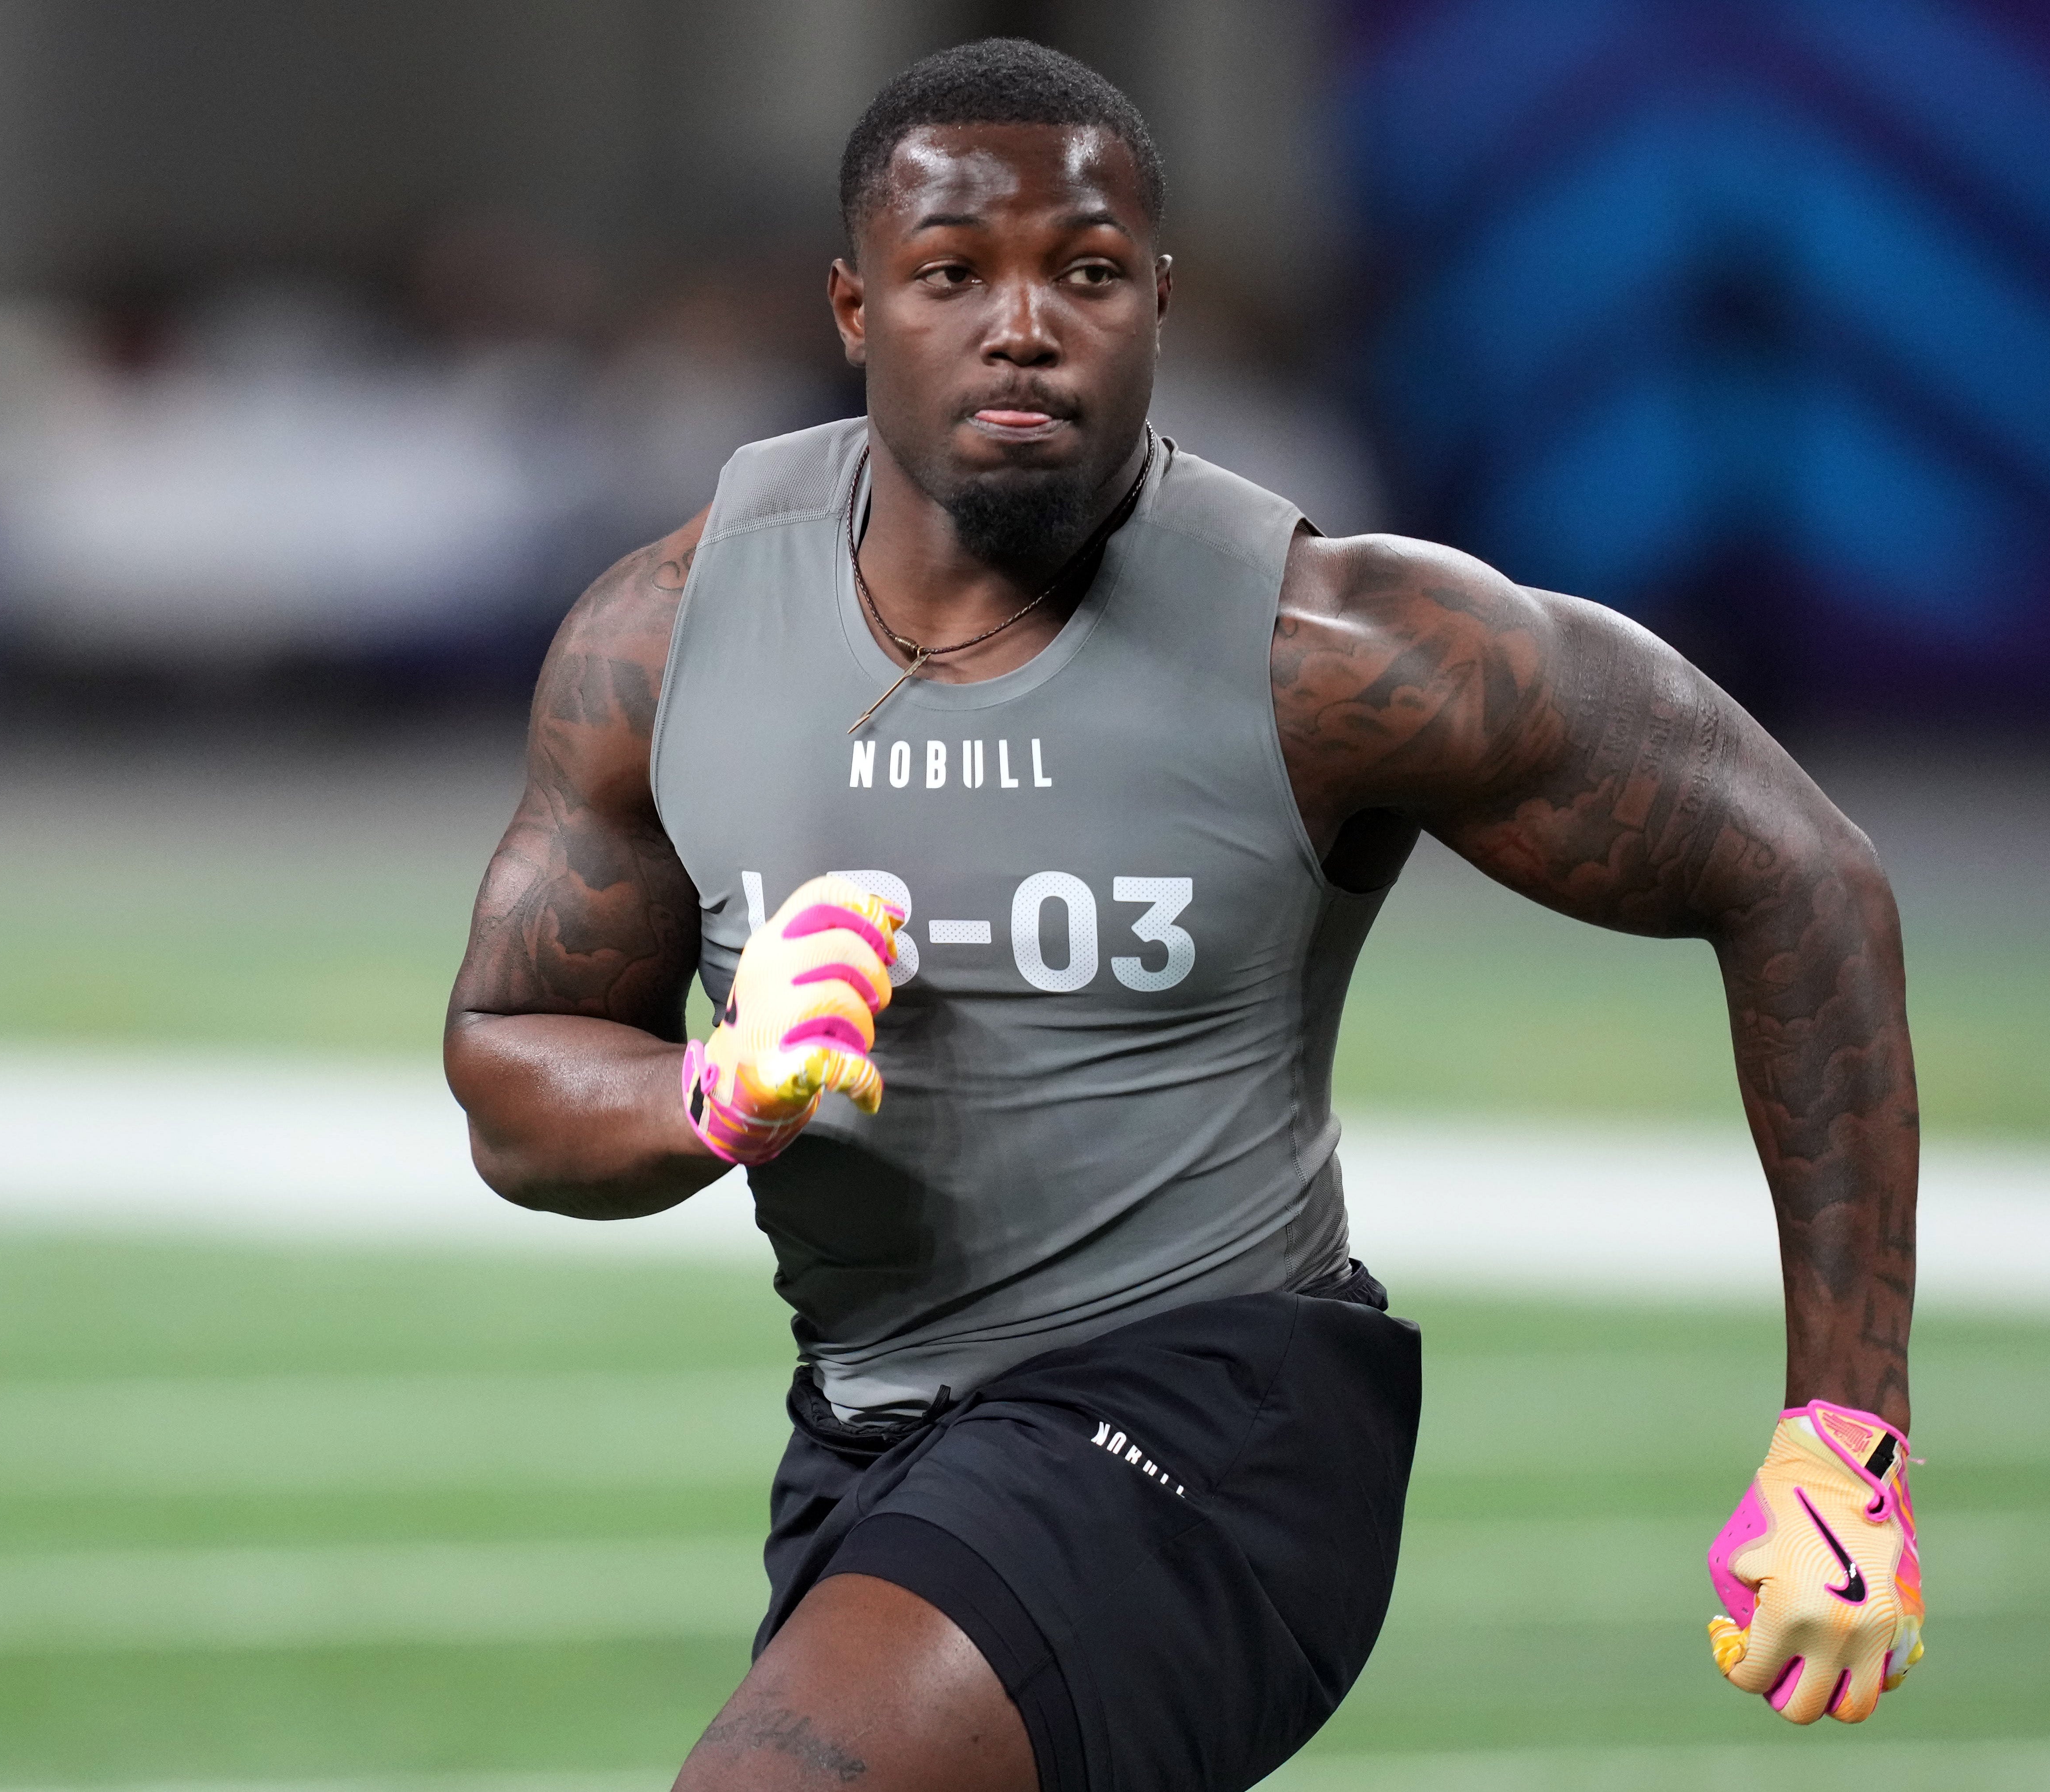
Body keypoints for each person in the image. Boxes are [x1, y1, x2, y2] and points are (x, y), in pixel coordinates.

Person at [445, 38, 1922, 1792]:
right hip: (871, 1429)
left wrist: (1845, 1434)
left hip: (1214, 1416)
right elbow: (511, 1067)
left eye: (1081, 274)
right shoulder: (664, 635)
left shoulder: (1337, 651)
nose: (1021, 324)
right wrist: (711, 1093)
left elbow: (1794, 874)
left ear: (1156, 299)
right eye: (949, 276)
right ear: (853, 307)